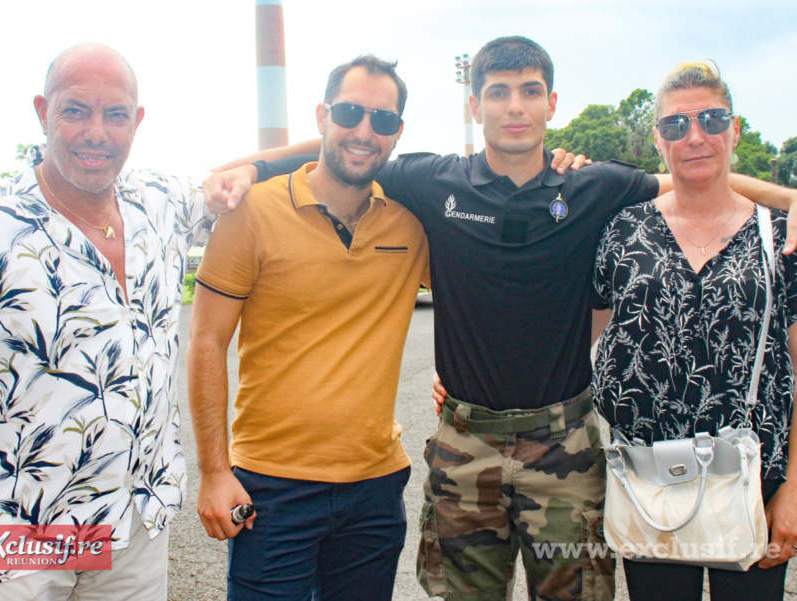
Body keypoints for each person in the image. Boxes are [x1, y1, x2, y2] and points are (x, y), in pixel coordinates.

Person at [208, 37, 797, 601]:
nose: (515, 106)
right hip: (467, 448)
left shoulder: (593, 186)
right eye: (498, 92)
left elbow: (697, 178)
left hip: (566, 449)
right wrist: (249, 170)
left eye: (530, 90)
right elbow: (342, 148)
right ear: (475, 103)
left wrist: (790, 199)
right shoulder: (433, 183)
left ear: (552, 103)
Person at [0, 43, 216, 601]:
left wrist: (341, 129)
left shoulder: (158, 203)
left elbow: (245, 173)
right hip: (19, 537)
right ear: (42, 112)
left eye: (115, 114)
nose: (96, 132)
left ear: (137, 121)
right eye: (75, 110)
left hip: (133, 526)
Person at [187, 55, 430, 601]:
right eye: (349, 112)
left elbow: (488, 293)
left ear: (398, 133)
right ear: (321, 116)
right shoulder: (251, 212)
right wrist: (212, 471)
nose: (365, 131)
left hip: (375, 488)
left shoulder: (411, 222)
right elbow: (205, 340)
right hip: (272, 486)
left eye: (383, 120)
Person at [591, 61, 797, 601]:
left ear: (735, 130)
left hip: (754, 479)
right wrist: (469, 378)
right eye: (676, 126)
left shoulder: (781, 238)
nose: (695, 137)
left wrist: (795, 490)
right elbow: (576, 338)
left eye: (711, 119)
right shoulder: (623, 232)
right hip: (648, 483)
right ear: (659, 142)